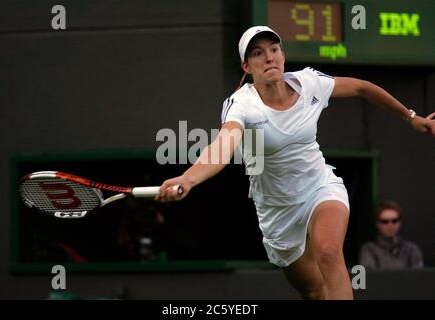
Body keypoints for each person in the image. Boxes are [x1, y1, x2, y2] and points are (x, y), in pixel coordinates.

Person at [155, 26, 435, 300]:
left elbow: (361, 87)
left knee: (329, 253)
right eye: (257, 53)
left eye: (274, 49)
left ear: (282, 55)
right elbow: (222, 148)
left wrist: (412, 118)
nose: (269, 57)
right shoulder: (241, 105)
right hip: (277, 210)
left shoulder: (309, 83)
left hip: (319, 187)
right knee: (312, 290)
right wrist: (187, 178)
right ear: (246, 66)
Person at [359, 200, 424, 270]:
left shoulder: (411, 249)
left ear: (400, 222)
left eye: (394, 220)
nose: (390, 225)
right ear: (377, 224)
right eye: (385, 221)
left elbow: (418, 277)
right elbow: (370, 277)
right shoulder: (369, 249)